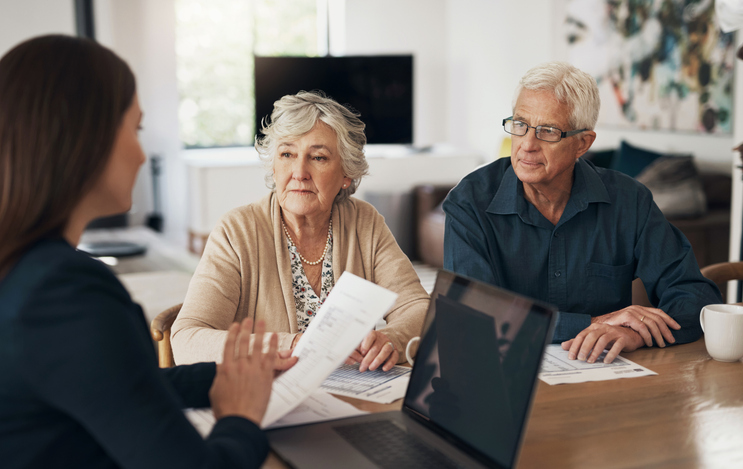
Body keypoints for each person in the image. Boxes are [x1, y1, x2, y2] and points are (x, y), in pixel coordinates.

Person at [0, 35, 296, 468]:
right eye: (135, 129)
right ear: (87, 138)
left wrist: (230, 375)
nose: (142, 155)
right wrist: (241, 418)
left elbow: (116, 388)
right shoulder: (65, 292)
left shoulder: (25, 272)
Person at [443, 61, 722, 364]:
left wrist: (637, 333)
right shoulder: (469, 202)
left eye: (548, 131)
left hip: (605, 378)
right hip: (502, 376)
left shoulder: (629, 201)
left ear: (582, 143)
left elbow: (694, 296)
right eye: (520, 125)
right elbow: (471, 312)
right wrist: (592, 324)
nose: (527, 145)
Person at [172, 91, 429, 372]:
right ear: (273, 164)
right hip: (267, 399)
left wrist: (391, 339)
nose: (299, 172)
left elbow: (418, 307)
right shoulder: (236, 232)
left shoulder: (364, 223)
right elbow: (187, 340)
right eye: (287, 154)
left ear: (347, 174)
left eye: (318, 157)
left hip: (351, 394)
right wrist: (294, 346)